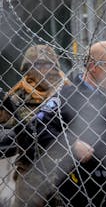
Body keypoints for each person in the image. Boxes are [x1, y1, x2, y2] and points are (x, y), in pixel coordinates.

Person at [21, 41, 106, 206]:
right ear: (93, 67)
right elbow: (36, 127)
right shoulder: (66, 96)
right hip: (80, 188)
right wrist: (71, 144)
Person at [0, 44, 69, 207]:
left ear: (54, 65)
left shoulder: (66, 90)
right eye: (37, 64)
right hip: (30, 168)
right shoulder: (19, 94)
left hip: (64, 166)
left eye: (47, 64)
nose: (43, 69)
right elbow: (6, 125)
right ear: (28, 66)